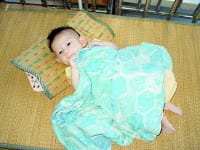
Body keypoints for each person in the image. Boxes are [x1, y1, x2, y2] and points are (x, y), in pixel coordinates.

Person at [48, 26, 182, 149]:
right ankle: (159, 113)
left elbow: (116, 50)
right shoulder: (72, 70)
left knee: (139, 79)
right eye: (60, 52)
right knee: (126, 104)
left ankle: (161, 103)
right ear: (60, 60)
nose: (66, 51)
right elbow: (79, 88)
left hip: (119, 71)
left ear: (82, 41)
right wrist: (75, 67)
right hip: (107, 89)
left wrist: (103, 44)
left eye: (68, 44)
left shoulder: (94, 46)